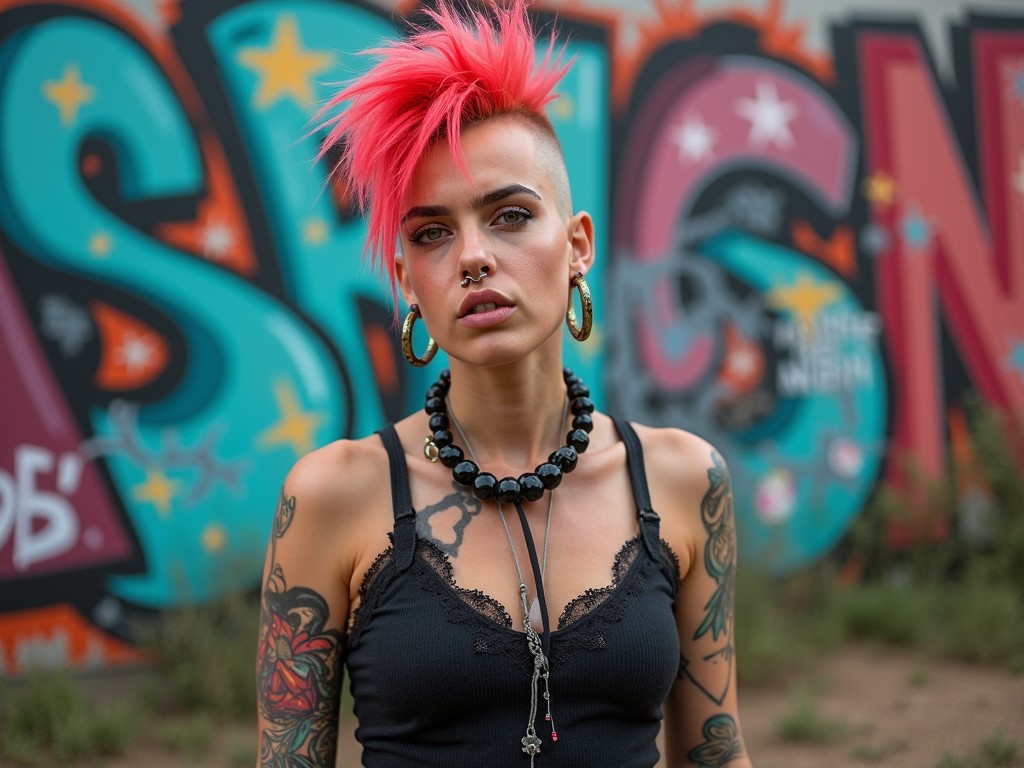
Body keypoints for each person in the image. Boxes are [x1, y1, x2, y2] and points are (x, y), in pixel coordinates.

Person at [255, 2, 752, 766]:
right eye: (432, 233)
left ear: (577, 245)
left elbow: (715, 755)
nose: (474, 256)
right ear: (407, 281)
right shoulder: (333, 496)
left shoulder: (684, 481)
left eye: (511, 215)